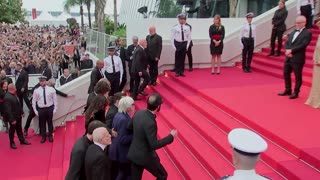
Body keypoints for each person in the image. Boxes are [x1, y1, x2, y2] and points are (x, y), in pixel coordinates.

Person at [127, 93, 178, 180]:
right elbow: (154, 145)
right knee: (162, 175)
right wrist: (170, 137)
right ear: (158, 106)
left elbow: (128, 127)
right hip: (145, 157)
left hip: (134, 153)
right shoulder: (150, 123)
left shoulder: (139, 113)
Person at [278, 16, 312, 99]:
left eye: (299, 22)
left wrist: (291, 51)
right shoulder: (293, 32)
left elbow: (303, 44)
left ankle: (296, 92)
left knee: (297, 76)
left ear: (304, 23)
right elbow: (287, 42)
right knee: (286, 73)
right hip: (288, 57)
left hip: (298, 58)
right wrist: (287, 50)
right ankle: (288, 89)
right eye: (296, 22)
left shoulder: (307, 33)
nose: (297, 24)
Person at [109, 96, 135, 180]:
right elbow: (123, 139)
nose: (134, 106)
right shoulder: (124, 119)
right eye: (132, 105)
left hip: (117, 150)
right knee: (123, 174)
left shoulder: (118, 114)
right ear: (128, 108)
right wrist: (135, 135)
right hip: (122, 152)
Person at [3, 84, 31, 149]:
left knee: (19, 129)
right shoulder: (7, 98)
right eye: (15, 87)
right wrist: (12, 120)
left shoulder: (13, 95)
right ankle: (12, 143)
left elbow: (18, 104)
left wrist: (22, 112)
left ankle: (22, 140)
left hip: (18, 116)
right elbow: (8, 110)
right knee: (12, 131)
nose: (16, 88)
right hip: (13, 118)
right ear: (12, 89)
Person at [32, 76, 58, 143]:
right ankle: (43, 136)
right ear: (39, 82)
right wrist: (35, 110)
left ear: (45, 81)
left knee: (50, 123)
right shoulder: (36, 91)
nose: (42, 82)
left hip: (49, 108)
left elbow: (55, 100)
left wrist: (55, 109)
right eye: (41, 81)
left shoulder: (51, 89)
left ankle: (50, 136)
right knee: (42, 123)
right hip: (41, 109)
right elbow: (34, 101)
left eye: (43, 81)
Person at [305, 19, 320, 108]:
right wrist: (315, 59)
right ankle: (315, 99)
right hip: (317, 64)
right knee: (316, 82)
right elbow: (316, 49)